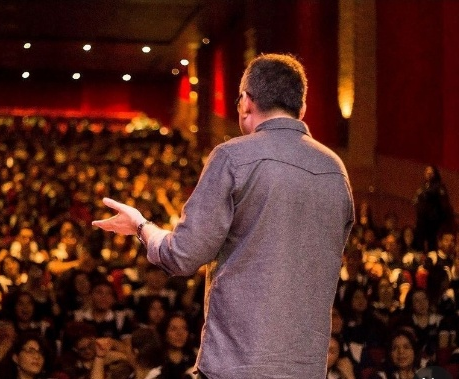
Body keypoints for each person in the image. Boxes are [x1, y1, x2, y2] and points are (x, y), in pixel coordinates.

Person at [92, 53, 355, 378]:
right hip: (307, 369)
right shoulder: (336, 171)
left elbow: (182, 256)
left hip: (236, 367)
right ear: (301, 108)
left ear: (246, 102)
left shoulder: (233, 157)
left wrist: (141, 226)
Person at [413, 165, 454, 252]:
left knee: (431, 241)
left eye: (430, 173)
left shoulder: (439, 186)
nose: (428, 174)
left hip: (432, 220)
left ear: (435, 174)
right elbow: (418, 197)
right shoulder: (424, 185)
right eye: (427, 172)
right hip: (421, 218)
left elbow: (444, 202)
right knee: (419, 239)